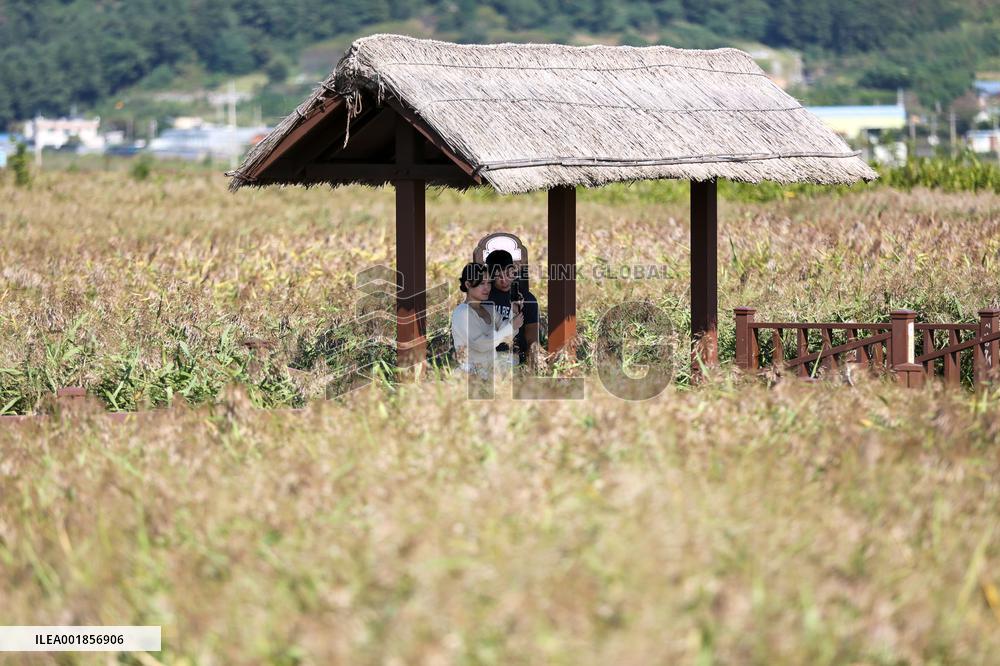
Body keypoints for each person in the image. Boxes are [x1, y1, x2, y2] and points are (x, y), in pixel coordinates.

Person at [451, 262, 523, 378]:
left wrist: (513, 312)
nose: (487, 288)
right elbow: (480, 344)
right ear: (468, 284)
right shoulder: (462, 312)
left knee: (515, 361)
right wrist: (511, 327)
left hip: (491, 369)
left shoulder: (490, 309)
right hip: (472, 374)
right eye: (482, 283)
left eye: (489, 283)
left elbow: (508, 333)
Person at [484, 250, 539, 366]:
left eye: (508, 274)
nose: (504, 281)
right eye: (498, 276)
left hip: (517, 358)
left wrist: (532, 367)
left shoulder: (527, 299)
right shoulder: (483, 298)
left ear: (513, 271)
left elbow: (532, 340)